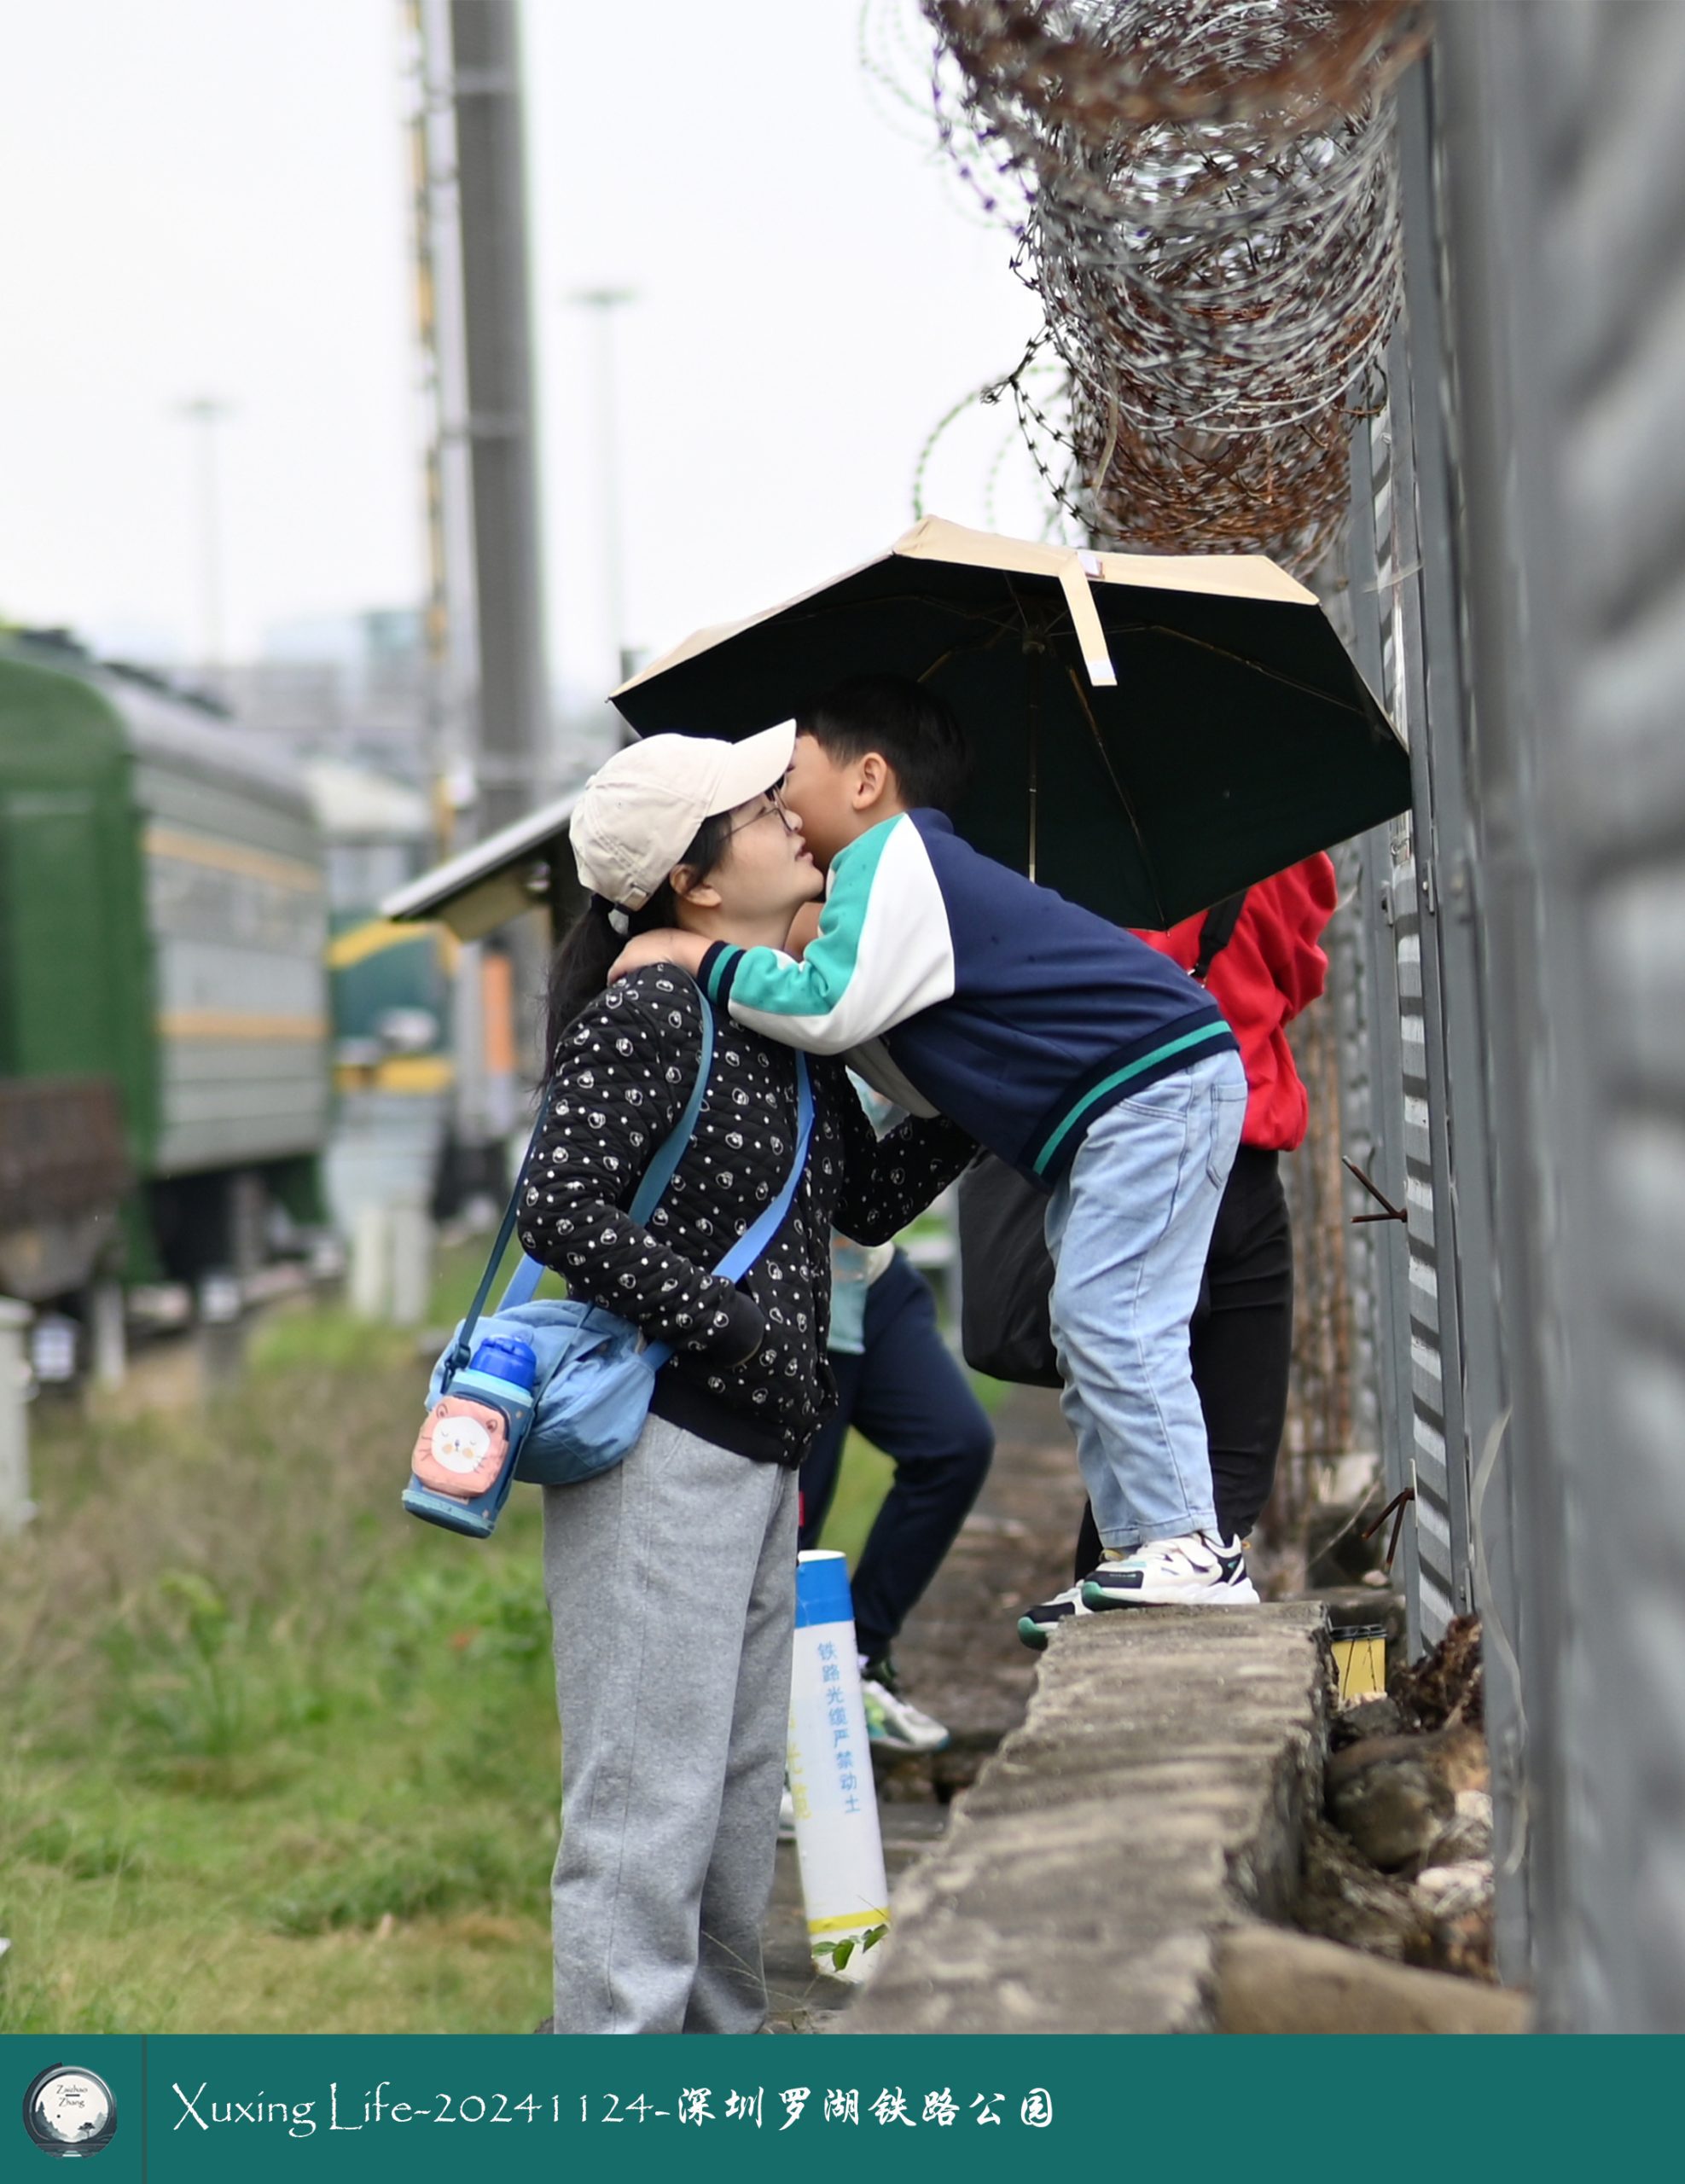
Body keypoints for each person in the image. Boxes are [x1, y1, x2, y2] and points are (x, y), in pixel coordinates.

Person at [611, 675, 1254, 1628]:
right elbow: (903, 1061)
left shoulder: (892, 856)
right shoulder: (894, 877)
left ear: (868, 779)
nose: (779, 801)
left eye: (790, 774)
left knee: (1111, 1315)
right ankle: (1140, 1549)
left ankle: (1192, 1547)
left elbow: (830, 1005)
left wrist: (695, 957)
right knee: (1088, 1328)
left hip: (1153, 1090)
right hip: (1128, 1102)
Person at [524, 720, 973, 2036]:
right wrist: (727, 1329)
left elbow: (861, 1197)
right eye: (761, 811)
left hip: (751, 1457)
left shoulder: (770, 1020)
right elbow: (559, 1205)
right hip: (657, 1447)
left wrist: (974, 1084)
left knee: (726, 1809)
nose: (793, 819)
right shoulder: (654, 1008)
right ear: (694, 880)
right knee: (642, 1813)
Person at [1055, 857, 1339, 1635]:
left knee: (1134, 1460)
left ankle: (1100, 1666)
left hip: (1116, 1162)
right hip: (1238, 1160)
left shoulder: (1066, 851)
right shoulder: (1273, 838)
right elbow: (1299, 971)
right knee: (1217, 1489)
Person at [800, 1214, 995, 1751]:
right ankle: (774, 1745)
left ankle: (858, 1659)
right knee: (788, 1534)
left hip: (868, 1273)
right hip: (786, 1290)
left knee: (954, 1445)